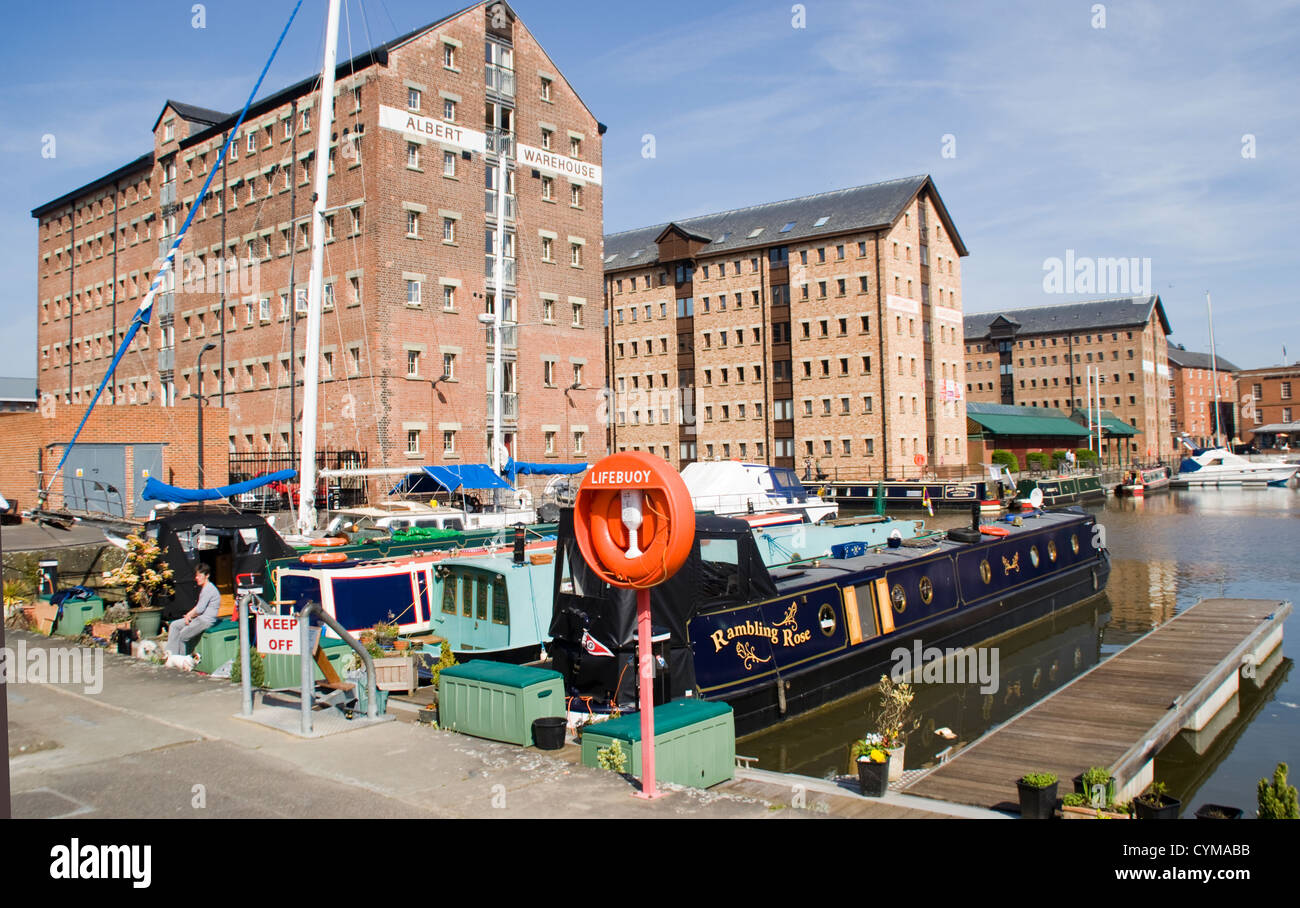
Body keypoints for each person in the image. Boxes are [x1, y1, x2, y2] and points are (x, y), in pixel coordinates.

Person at [166, 563, 220, 657]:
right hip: (198, 618)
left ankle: (182, 661)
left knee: (182, 635)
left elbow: (199, 610)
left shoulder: (209, 589)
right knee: (174, 625)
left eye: (200, 576)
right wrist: (188, 615)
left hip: (205, 621)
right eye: (196, 575)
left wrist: (189, 616)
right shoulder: (205, 588)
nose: (197, 578)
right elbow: (198, 607)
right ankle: (171, 656)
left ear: (207, 575)